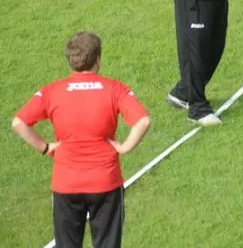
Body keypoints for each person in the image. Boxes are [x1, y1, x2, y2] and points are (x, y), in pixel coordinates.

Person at [12, 31, 152, 248]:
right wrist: (124, 147)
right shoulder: (114, 89)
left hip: (66, 184)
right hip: (106, 183)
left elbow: (19, 123)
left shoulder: (52, 91)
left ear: (70, 61)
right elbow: (142, 121)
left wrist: (45, 147)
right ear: (97, 60)